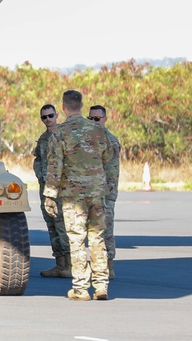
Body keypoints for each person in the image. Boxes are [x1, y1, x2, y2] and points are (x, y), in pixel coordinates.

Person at [43, 90, 114, 301]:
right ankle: (101, 285)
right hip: (96, 193)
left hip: (73, 196)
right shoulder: (98, 131)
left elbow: (55, 166)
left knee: (76, 239)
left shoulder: (60, 133)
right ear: (81, 107)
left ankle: (81, 288)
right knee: (97, 237)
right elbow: (108, 158)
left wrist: (49, 194)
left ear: (63, 108)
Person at [35, 103, 71, 278]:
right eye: (44, 117)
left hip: (61, 190)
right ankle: (59, 263)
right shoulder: (43, 139)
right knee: (52, 227)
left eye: (50, 116)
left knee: (63, 226)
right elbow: (38, 160)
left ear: (57, 115)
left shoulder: (64, 135)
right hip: (46, 189)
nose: (48, 119)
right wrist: (42, 176)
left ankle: (70, 265)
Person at [89, 104, 121, 279]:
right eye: (90, 118)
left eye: (97, 119)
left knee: (106, 230)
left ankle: (109, 266)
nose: (93, 122)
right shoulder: (92, 139)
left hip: (106, 193)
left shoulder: (109, 140)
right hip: (93, 192)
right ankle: (97, 266)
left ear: (105, 119)